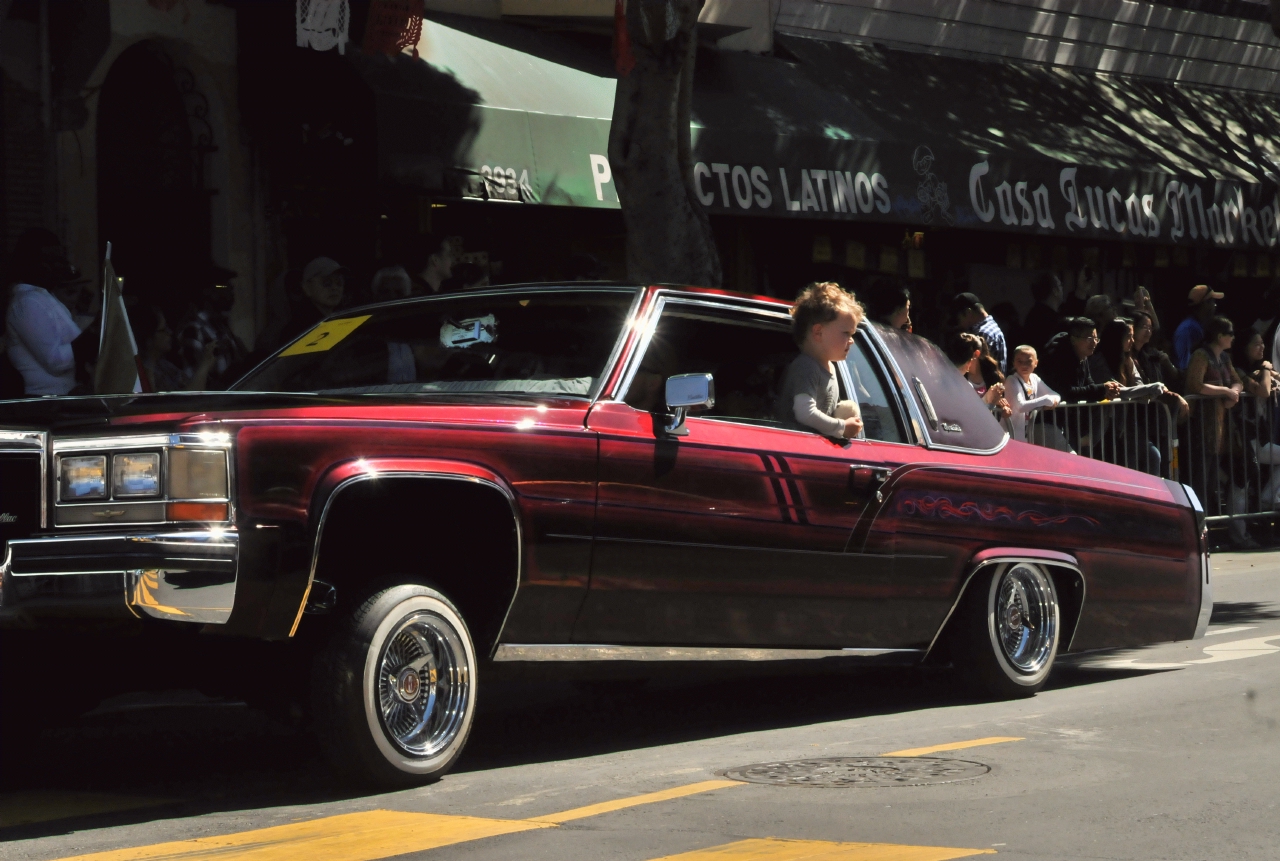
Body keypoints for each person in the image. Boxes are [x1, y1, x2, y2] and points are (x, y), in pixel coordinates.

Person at [1185, 316, 1254, 546]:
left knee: (1213, 482)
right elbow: (1195, 385)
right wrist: (1225, 391)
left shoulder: (1224, 358)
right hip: (1202, 427)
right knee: (1201, 482)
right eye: (1230, 333)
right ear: (1219, 335)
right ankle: (1198, 534)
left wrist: (1232, 392)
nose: (1233, 337)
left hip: (1221, 429)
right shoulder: (1201, 355)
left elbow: (1238, 381)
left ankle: (1207, 531)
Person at [4, 228, 96, 396]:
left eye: (58, 259)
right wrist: (91, 336)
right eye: (48, 260)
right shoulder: (27, 302)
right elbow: (56, 361)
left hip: (63, 396)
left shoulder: (43, 297)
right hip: (46, 402)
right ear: (29, 262)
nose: (56, 266)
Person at [774, 282, 864, 438]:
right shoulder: (806, 366)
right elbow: (805, 413)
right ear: (818, 332)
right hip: (794, 449)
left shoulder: (831, 368)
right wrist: (842, 427)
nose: (851, 340)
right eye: (846, 333)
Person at [176, 265, 246, 390]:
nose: (230, 291)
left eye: (230, 286)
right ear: (207, 291)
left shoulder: (222, 328)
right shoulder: (194, 331)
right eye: (222, 286)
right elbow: (195, 383)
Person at [134, 305, 215, 392]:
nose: (169, 332)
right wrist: (205, 365)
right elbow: (187, 401)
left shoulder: (164, 365)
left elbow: (187, 385)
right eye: (163, 330)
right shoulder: (145, 375)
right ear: (149, 339)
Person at [1040, 317, 1121, 403]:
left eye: (1096, 339)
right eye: (1089, 338)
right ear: (1073, 339)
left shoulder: (1083, 354)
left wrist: (1106, 392)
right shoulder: (1057, 356)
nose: (1094, 342)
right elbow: (1065, 392)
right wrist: (1101, 389)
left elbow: (1089, 385)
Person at [944, 331, 1012, 419]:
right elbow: (969, 417)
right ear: (975, 354)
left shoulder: (991, 374)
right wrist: (988, 400)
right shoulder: (957, 383)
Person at [283, 256, 347, 343]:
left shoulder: (347, 320)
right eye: (326, 283)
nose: (334, 288)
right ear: (307, 288)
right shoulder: (298, 330)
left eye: (339, 282)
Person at [1007, 345, 1061, 443]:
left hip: (1026, 435)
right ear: (1013, 363)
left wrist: (1054, 401)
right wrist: (1046, 400)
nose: (1024, 365)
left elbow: (1055, 395)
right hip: (1010, 435)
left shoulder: (1034, 378)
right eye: (1020, 361)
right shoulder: (1011, 380)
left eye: (1028, 361)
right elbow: (1020, 406)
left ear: (1036, 363)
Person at [951, 291, 1007, 372]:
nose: (959, 324)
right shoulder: (992, 327)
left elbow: (975, 371)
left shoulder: (982, 334)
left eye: (958, 319)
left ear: (968, 312)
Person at [1174, 284, 1223, 370]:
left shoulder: (1199, 326)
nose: (1215, 305)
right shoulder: (1188, 329)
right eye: (1212, 301)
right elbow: (1185, 366)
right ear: (1204, 304)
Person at [1023, 272, 1064, 354]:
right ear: (1055, 291)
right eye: (1060, 285)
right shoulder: (1054, 321)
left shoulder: (1031, 316)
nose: (1062, 289)